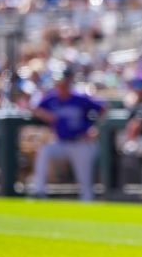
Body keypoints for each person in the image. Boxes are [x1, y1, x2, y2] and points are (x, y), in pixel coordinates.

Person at [31, 68, 106, 201]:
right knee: (44, 152)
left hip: (81, 142)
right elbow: (34, 108)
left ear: (69, 83)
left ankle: (87, 199)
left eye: (64, 83)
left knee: (84, 178)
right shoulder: (52, 98)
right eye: (58, 84)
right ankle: (39, 192)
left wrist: (95, 128)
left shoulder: (79, 98)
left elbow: (103, 108)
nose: (61, 86)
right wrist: (45, 115)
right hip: (62, 143)